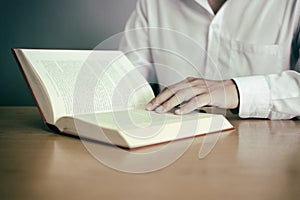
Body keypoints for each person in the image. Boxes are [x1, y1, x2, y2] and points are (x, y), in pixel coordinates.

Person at [119, 0, 300, 120]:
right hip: (171, 146)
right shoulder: (152, 3)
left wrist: (238, 91)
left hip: (262, 153)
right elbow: (127, 77)